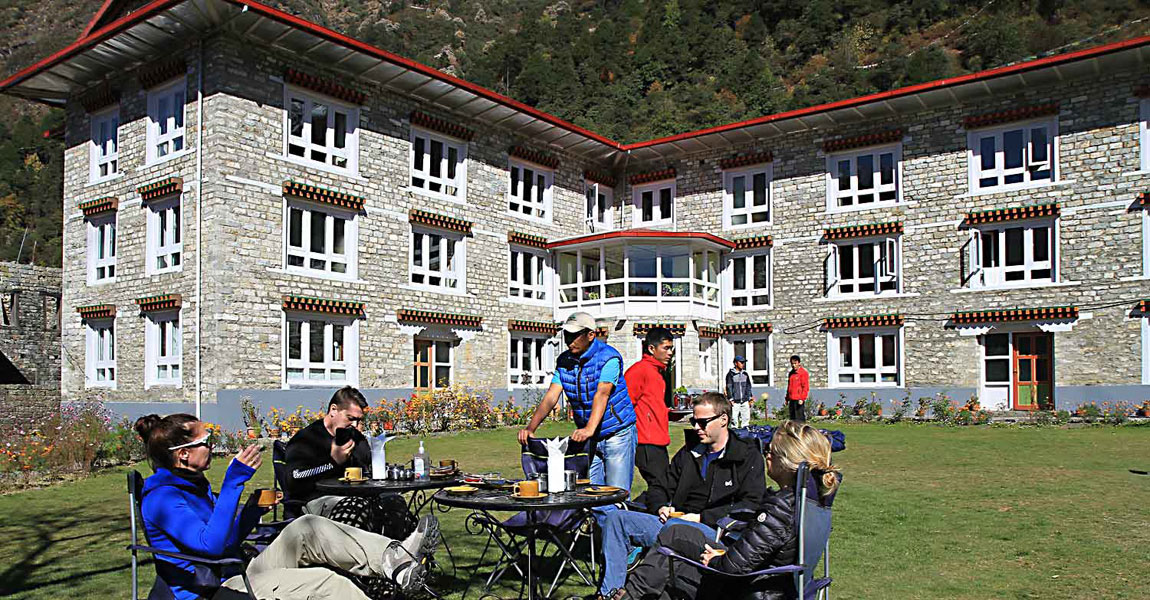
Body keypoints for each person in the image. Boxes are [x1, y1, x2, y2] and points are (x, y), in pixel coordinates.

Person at [133, 413, 439, 600]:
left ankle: (395, 561)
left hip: (236, 570)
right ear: (183, 455)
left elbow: (225, 542)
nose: (212, 446)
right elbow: (210, 547)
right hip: (214, 590)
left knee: (307, 526)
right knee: (325, 583)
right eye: (205, 441)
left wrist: (251, 512)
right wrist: (233, 483)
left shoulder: (191, 485)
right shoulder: (163, 499)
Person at [622, 420, 841, 600]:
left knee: (672, 568)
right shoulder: (815, 500)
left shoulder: (782, 507)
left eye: (771, 451)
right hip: (769, 579)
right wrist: (724, 554)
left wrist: (716, 560)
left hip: (752, 588)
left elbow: (734, 567)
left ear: (787, 462)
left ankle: (628, 596)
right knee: (676, 533)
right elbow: (757, 551)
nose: (767, 455)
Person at [594, 392, 765, 600]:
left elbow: (751, 503)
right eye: (694, 421)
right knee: (616, 518)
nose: (696, 428)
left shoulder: (745, 456)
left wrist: (701, 518)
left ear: (723, 419)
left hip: (715, 532)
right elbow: (659, 486)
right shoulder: (690, 452)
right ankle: (609, 593)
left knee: (674, 529)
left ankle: (632, 595)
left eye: (703, 422)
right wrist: (661, 506)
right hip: (674, 523)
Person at [518, 311, 638, 493]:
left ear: (591, 335)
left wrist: (588, 429)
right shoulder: (564, 361)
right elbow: (551, 396)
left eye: (575, 335)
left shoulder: (609, 358)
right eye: (567, 334)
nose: (569, 340)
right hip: (589, 438)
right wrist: (530, 428)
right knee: (589, 494)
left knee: (616, 493)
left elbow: (602, 394)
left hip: (617, 433)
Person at [285, 386, 373, 517]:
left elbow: (368, 469)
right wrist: (333, 462)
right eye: (350, 418)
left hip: (356, 496)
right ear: (333, 410)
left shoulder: (357, 438)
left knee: (392, 501)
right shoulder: (306, 439)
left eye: (358, 420)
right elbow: (295, 478)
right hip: (316, 500)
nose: (355, 425)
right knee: (353, 507)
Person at [626, 326, 674, 491]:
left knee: (663, 487)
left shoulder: (657, 372)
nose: (670, 353)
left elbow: (651, 404)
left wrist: (668, 413)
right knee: (661, 488)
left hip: (658, 440)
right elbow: (625, 404)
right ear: (652, 348)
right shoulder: (640, 370)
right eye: (666, 348)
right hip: (646, 442)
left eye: (671, 348)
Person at [725, 355, 753, 428]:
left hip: (745, 400)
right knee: (734, 419)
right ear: (735, 363)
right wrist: (731, 398)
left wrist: (750, 397)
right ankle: (734, 431)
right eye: (741, 362)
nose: (743, 364)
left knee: (746, 418)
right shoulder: (730, 375)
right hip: (735, 401)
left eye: (743, 362)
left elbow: (748, 386)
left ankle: (745, 430)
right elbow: (729, 387)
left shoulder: (745, 374)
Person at [785, 355, 810, 423]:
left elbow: (805, 387)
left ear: (799, 363)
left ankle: (802, 428)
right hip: (792, 398)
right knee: (792, 418)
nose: (793, 365)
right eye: (792, 364)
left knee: (799, 418)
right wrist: (787, 398)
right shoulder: (791, 373)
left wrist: (802, 398)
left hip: (799, 399)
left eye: (795, 363)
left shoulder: (803, 373)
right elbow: (789, 386)